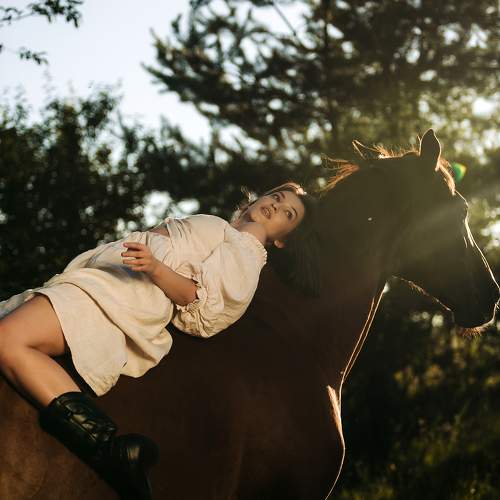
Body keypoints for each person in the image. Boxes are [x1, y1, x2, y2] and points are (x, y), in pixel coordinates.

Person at [0, 182, 319, 499]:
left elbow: (204, 306)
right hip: (103, 281)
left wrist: (155, 267)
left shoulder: (247, 245)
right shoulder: (225, 231)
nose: (276, 206)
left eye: (287, 214)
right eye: (276, 197)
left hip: (122, 297)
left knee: (6, 339)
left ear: (282, 240)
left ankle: (110, 450)